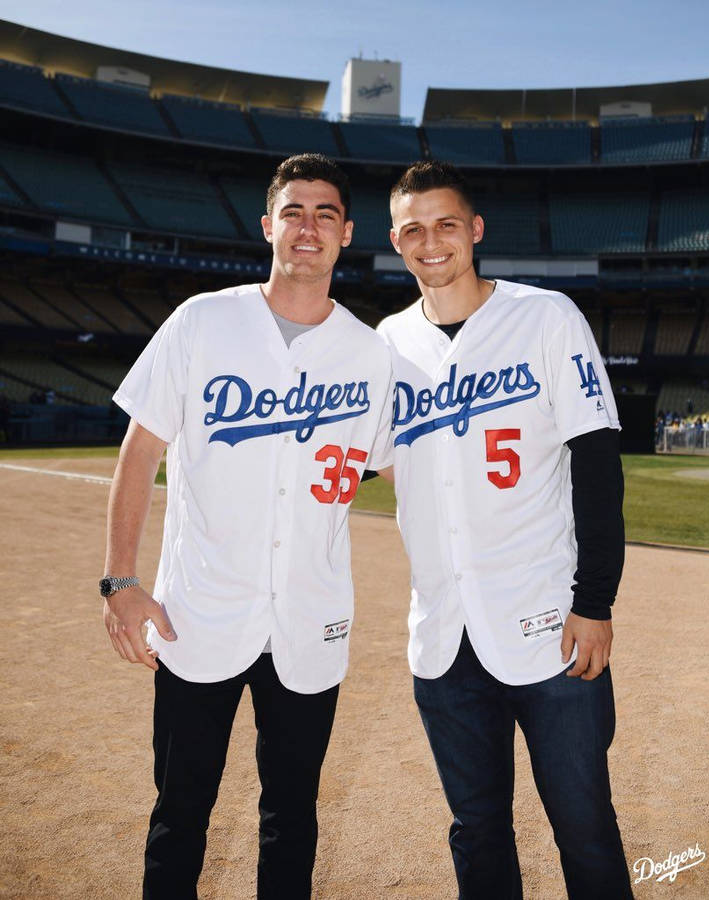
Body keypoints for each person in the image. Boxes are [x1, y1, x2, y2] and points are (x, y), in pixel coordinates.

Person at [101, 153, 393, 900]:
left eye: (325, 214)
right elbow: (141, 450)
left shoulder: (370, 354)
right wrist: (121, 580)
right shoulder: (203, 321)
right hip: (200, 612)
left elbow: (411, 472)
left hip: (311, 616)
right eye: (294, 211)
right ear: (268, 226)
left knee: (291, 814)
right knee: (181, 811)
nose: (308, 227)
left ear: (347, 234)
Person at [376, 161, 633, 899]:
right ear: (396, 240)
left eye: (446, 224)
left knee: (584, 826)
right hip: (445, 638)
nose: (432, 242)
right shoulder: (386, 345)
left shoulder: (546, 317)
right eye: (414, 229)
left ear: (475, 230)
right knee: (477, 830)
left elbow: (597, 463)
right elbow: (350, 461)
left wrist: (596, 600)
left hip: (551, 627)